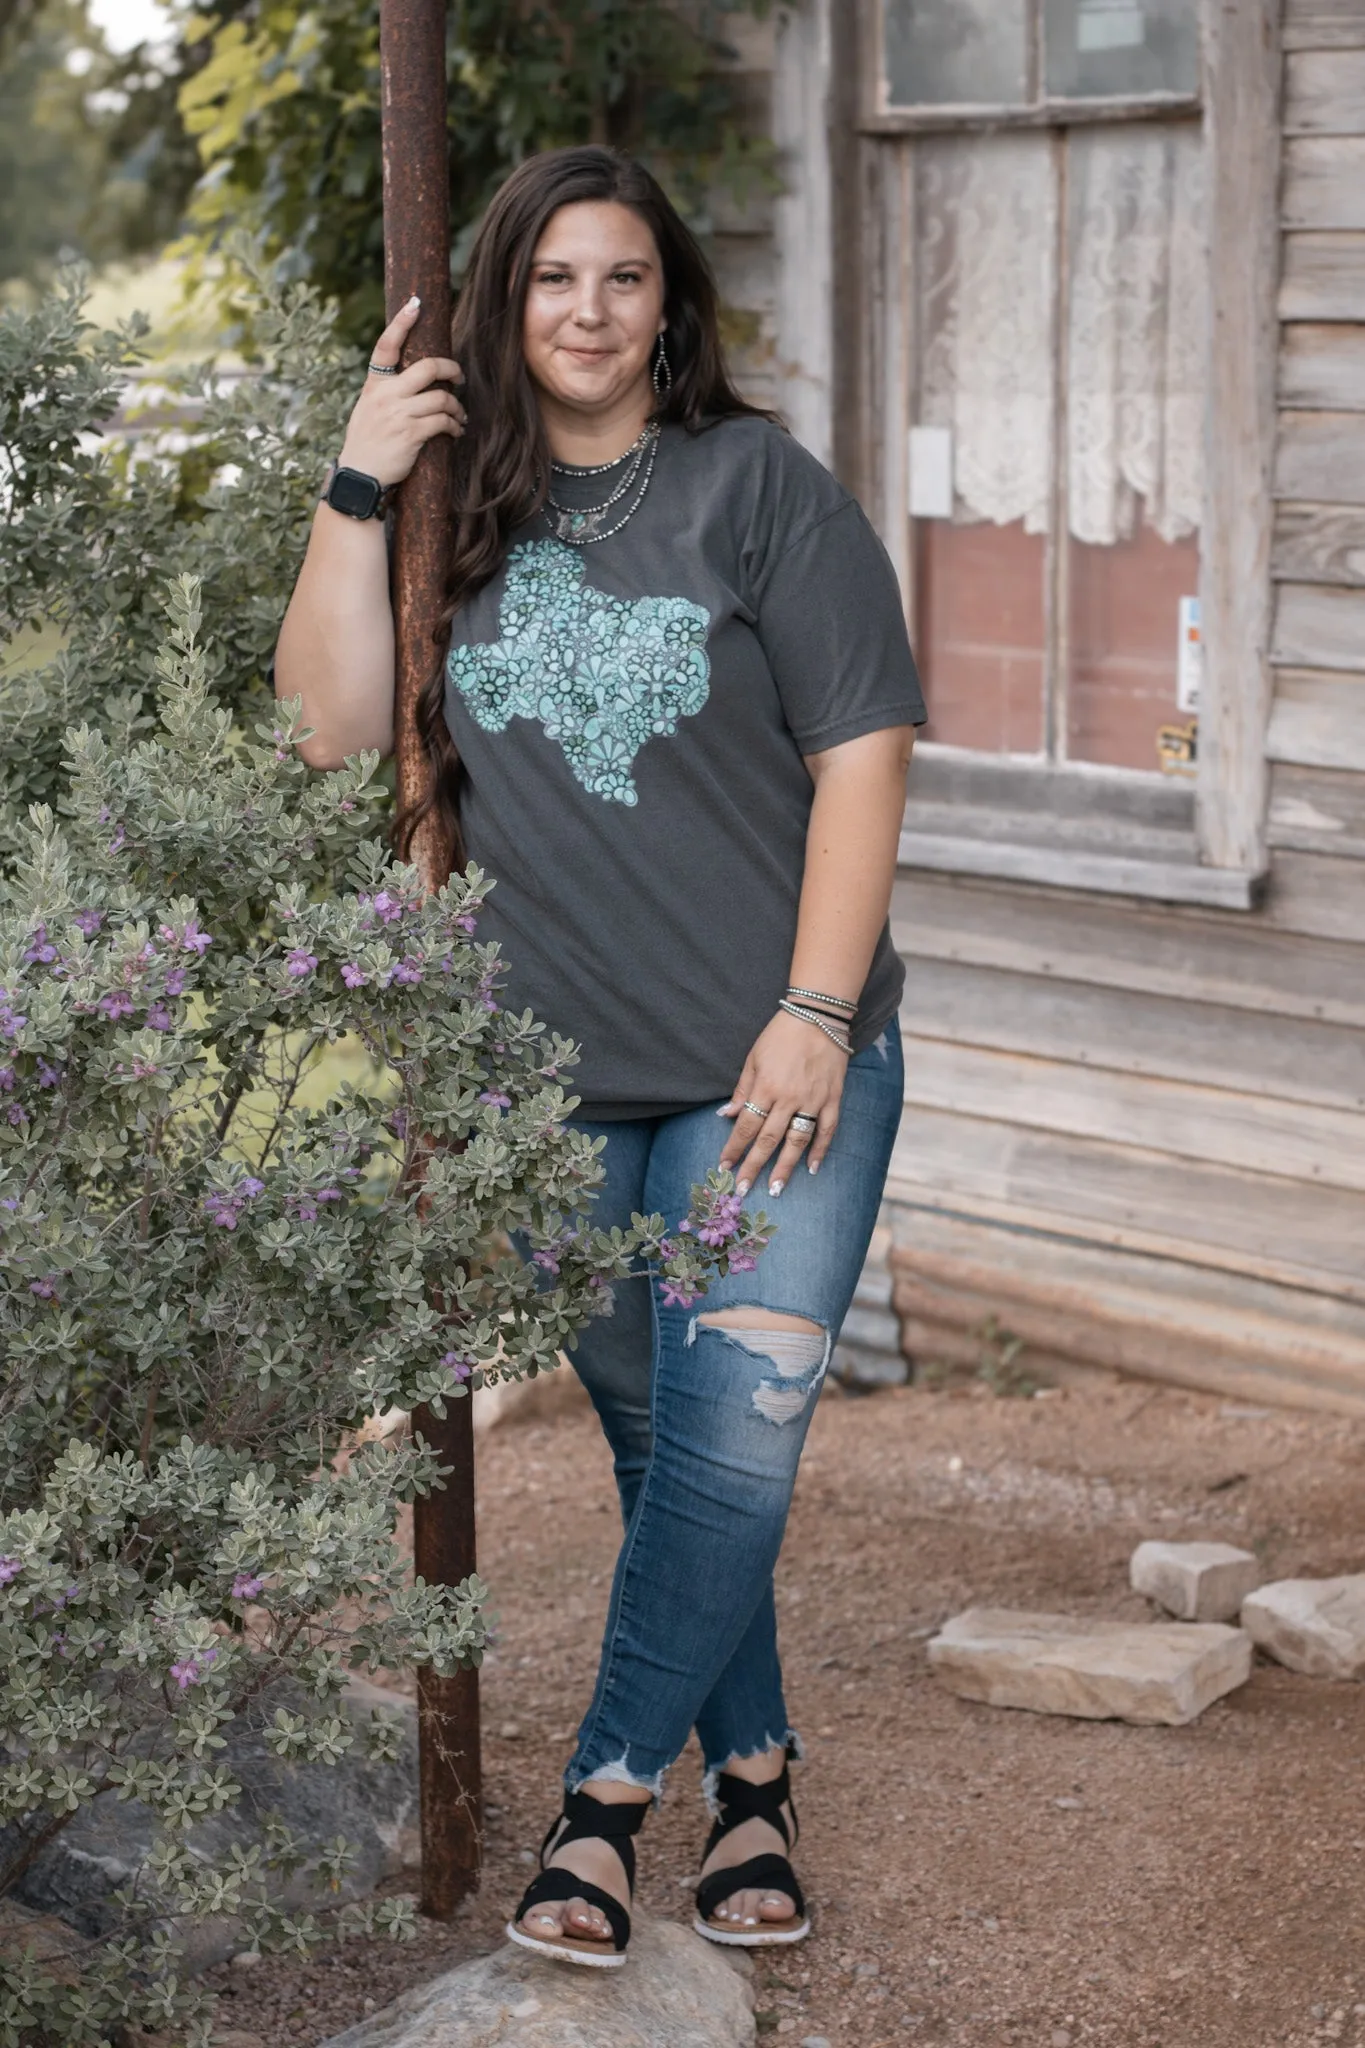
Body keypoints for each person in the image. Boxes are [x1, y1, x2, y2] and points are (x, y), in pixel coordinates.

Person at [275, 144, 924, 1970]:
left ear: (668, 305)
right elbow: (328, 733)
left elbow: (865, 748)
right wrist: (354, 483)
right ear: (507, 300)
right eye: (554, 278)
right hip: (545, 1088)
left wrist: (811, 1014)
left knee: (740, 1436)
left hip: (772, 1068)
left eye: (623, 278)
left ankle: (606, 1805)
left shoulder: (755, 489)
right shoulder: (447, 514)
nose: (588, 310)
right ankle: (764, 1779)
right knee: (666, 1444)